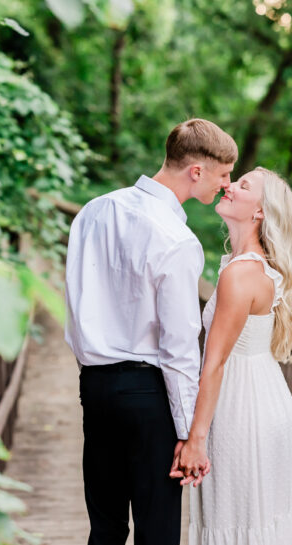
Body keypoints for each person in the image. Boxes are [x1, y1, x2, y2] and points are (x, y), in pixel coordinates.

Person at [65, 118, 237, 545]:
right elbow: (179, 347)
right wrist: (188, 434)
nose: (226, 185)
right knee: (157, 531)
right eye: (224, 174)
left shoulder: (94, 211)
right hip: (148, 395)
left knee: (104, 527)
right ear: (196, 171)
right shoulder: (176, 239)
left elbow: (74, 300)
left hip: (95, 385)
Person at [170, 167, 292, 544]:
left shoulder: (240, 274)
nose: (229, 186)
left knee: (237, 517)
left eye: (242, 185)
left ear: (259, 212)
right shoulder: (253, 268)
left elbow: (216, 361)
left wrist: (195, 439)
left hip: (242, 411)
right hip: (264, 397)